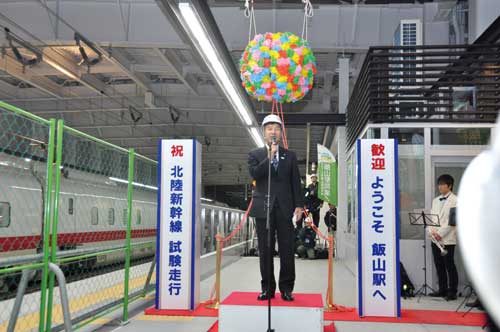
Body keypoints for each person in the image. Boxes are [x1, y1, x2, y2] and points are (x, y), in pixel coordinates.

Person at [248, 114, 304, 302]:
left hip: (285, 209)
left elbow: (296, 182)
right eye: (269, 128)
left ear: (281, 133)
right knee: (265, 250)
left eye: (276, 128)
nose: (273, 131)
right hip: (263, 208)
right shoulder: (255, 154)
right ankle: (267, 289)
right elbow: (255, 173)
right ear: (264, 132)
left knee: (287, 249)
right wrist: (269, 156)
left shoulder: (290, 156)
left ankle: (287, 288)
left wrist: (299, 205)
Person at [429, 174, 459, 301]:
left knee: (449, 265)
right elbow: (431, 218)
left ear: (450, 186)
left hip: (447, 239)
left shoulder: (456, 200)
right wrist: (432, 232)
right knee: (438, 264)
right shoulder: (435, 200)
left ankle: (452, 291)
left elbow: (452, 222)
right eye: (439, 184)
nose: (440, 187)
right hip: (435, 239)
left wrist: (440, 233)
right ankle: (442, 289)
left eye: (442, 184)